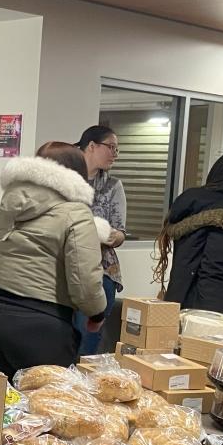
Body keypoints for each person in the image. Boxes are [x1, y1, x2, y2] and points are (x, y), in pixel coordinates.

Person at [0, 142, 110, 382]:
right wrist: (96, 313)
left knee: (0, 405)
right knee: (46, 411)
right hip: (39, 325)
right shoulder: (76, 213)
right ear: (77, 175)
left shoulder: (10, 205)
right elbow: (85, 280)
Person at [155, 151, 223, 320]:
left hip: (184, 308)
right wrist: (216, 329)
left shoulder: (196, 208)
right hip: (213, 318)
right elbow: (214, 276)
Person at [76, 125, 127, 352]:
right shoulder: (67, 180)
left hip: (101, 268)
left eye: (117, 149)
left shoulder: (112, 186)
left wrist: (113, 236)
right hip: (69, 266)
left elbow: (120, 232)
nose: (115, 154)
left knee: (87, 339)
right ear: (92, 146)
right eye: (111, 147)